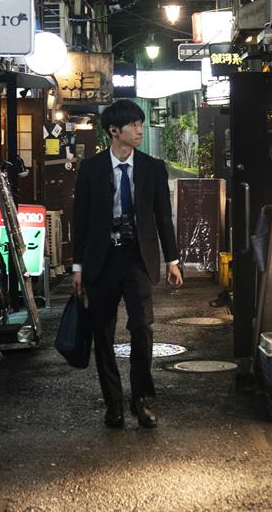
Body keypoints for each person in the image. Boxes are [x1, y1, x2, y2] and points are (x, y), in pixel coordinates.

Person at [72, 99, 183, 429]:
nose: (139, 130)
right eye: (133, 125)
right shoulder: (91, 169)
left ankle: (142, 400)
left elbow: (163, 217)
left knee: (142, 328)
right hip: (101, 261)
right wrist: (77, 268)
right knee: (102, 334)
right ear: (113, 131)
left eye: (140, 123)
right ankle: (113, 404)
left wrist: (172, 260)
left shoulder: (151, 167)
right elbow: (81, 221)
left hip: (138, 258)